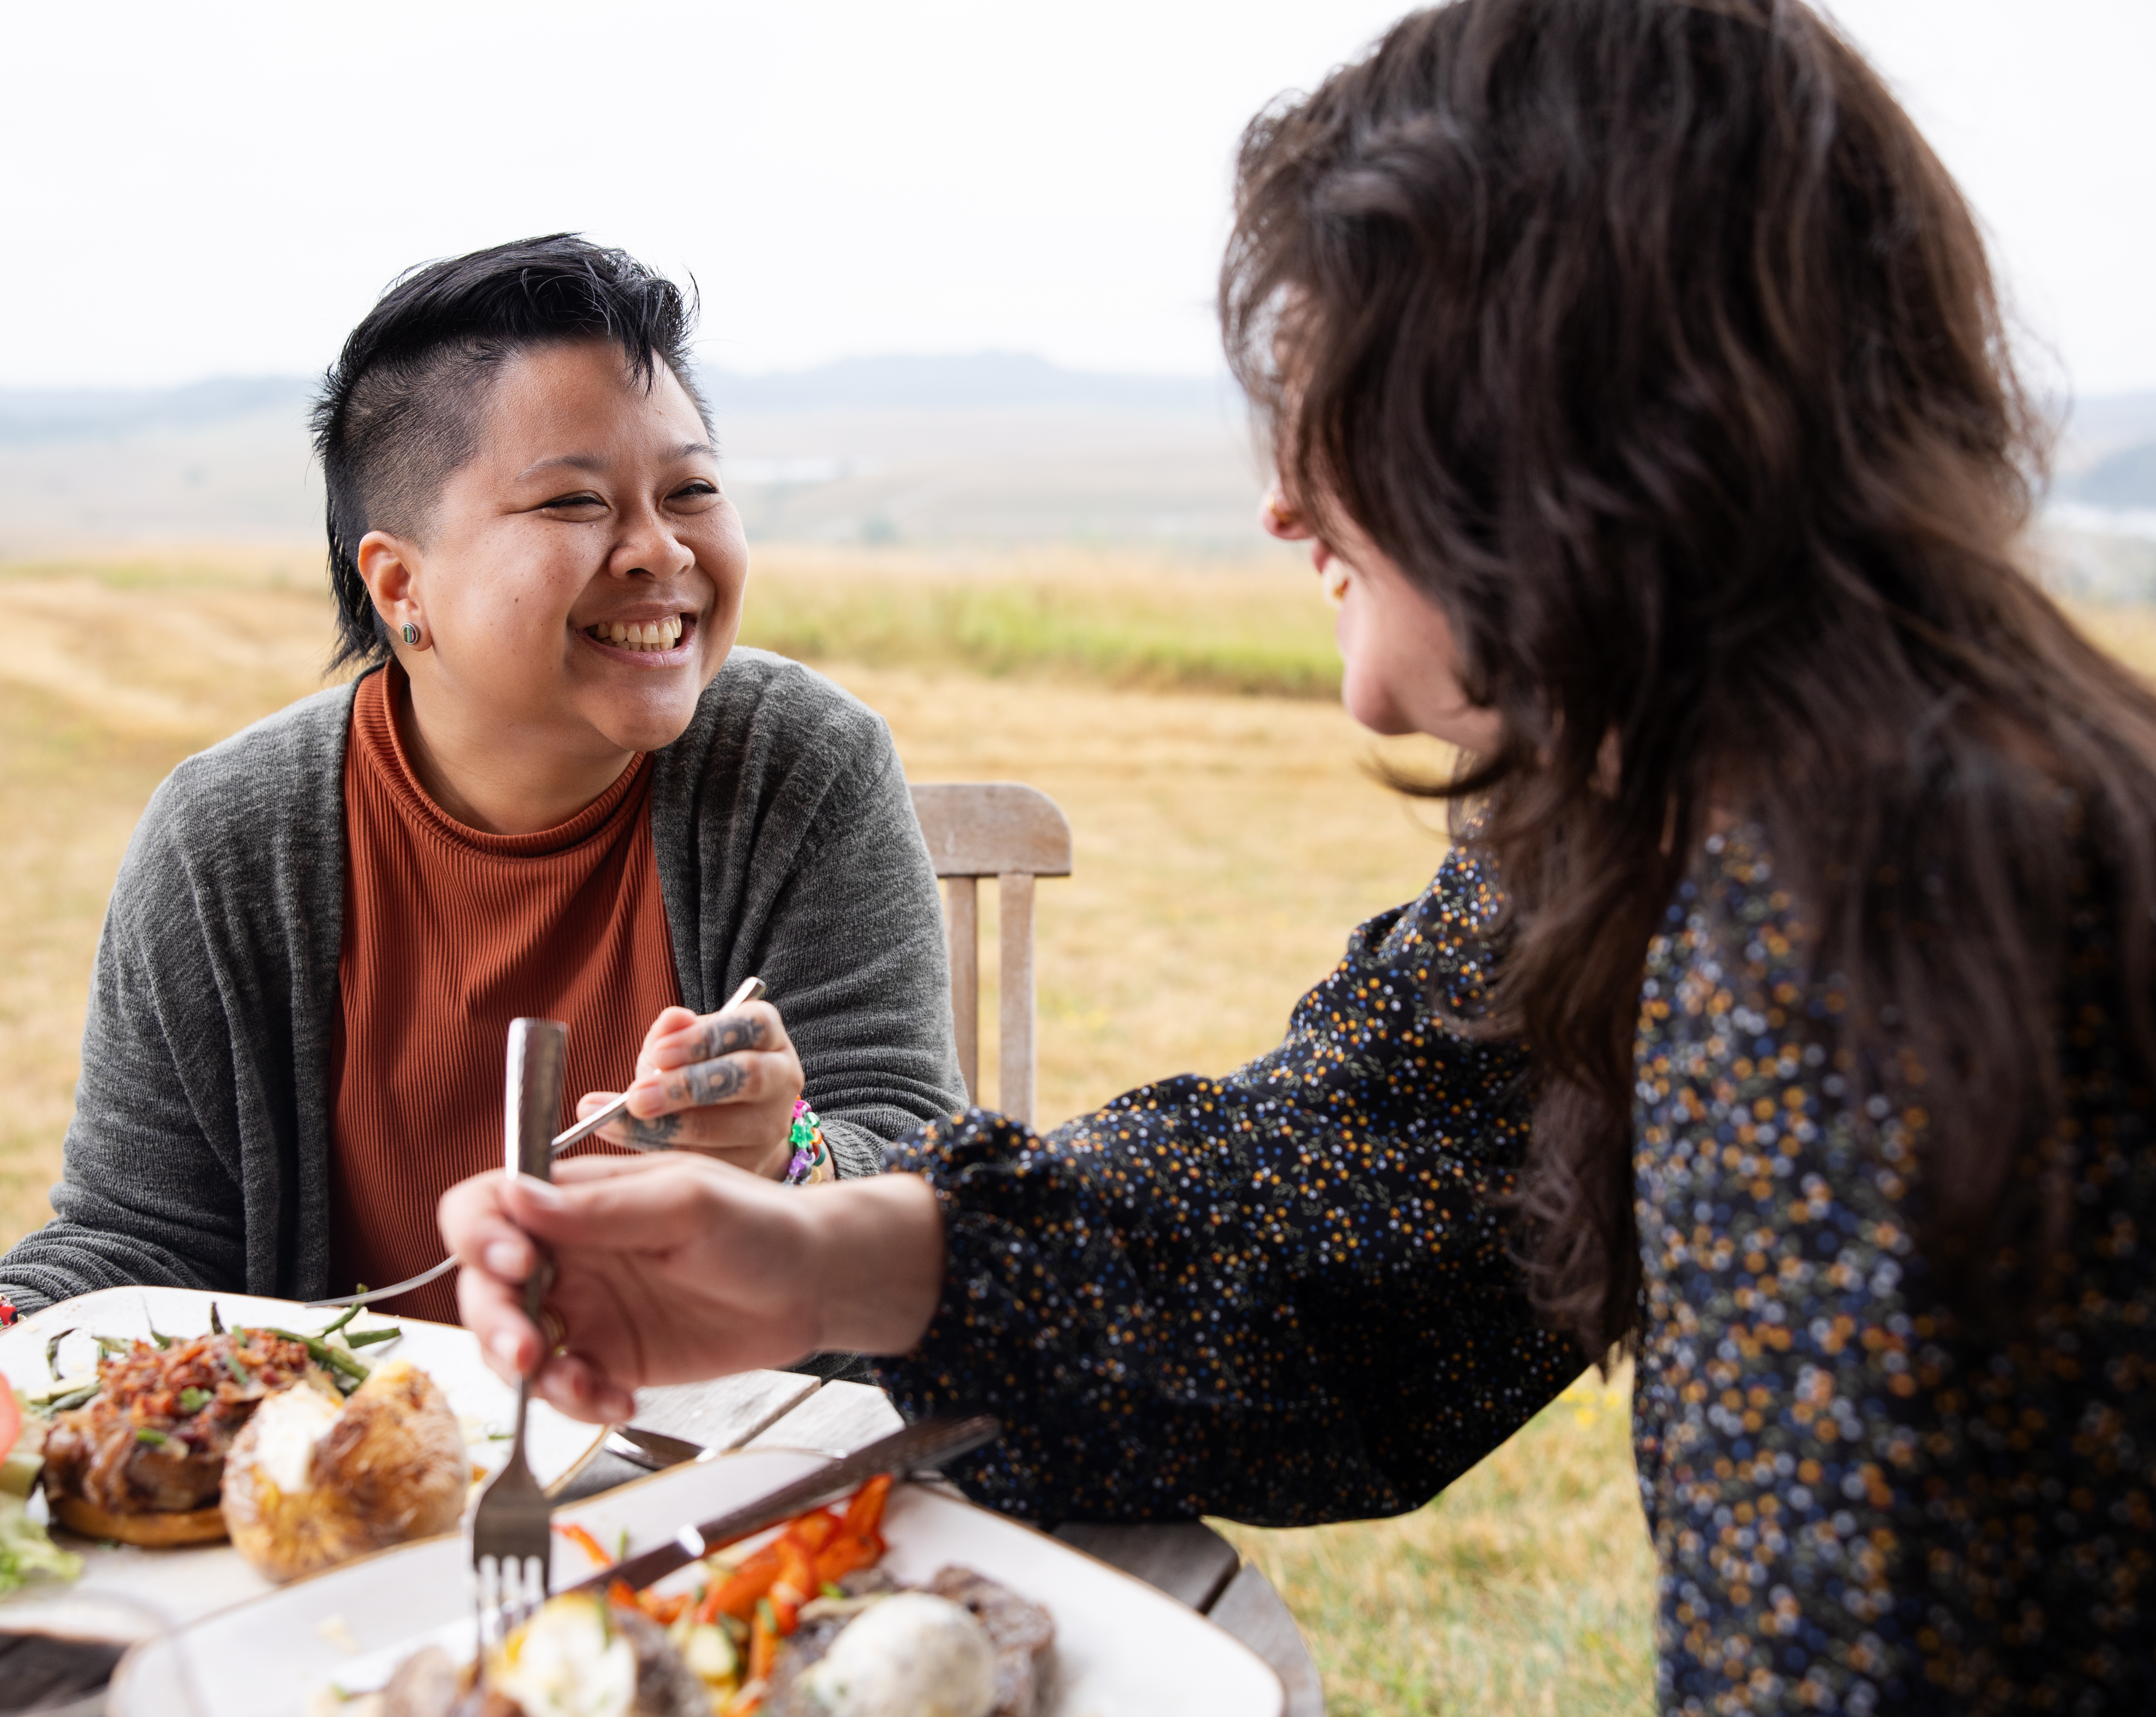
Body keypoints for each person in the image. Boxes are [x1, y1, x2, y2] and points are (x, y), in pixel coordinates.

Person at [442, 4, 2156, 1708]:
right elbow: (1371, 1199)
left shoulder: (1877, 932)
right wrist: (835, 1258)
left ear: (1540, 422)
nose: (1281, 504)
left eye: (1337, 400)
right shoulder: (1665, 815)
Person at [0, 235, 961, 1352]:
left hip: (728, 1481)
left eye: (691, 489)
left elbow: (927, 1182)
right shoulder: (226, 840)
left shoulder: (798, 768)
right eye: (574, 503)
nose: (660, 550)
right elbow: (142, 1233)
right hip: (336, 1491)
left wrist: (787, 1160)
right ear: (400, 582)